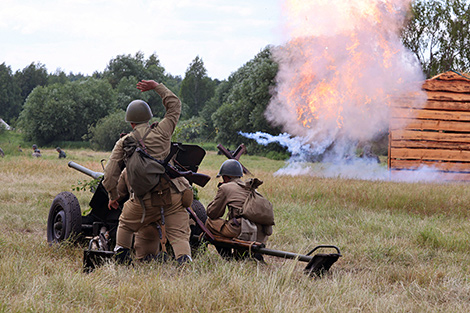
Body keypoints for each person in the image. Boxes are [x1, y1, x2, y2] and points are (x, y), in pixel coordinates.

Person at [102, 79, 192, 265]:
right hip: (172, 195)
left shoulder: (124, 142)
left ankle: (121, 258)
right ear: (149, 118)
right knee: (179, 235)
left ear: (131, 122)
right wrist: (157, 86)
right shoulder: (163, 131)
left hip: (144, 200)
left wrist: (113, 196)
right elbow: (175, 105)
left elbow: (110, 175)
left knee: (125, 224)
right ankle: (185, 264)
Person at [205, 159, 273, 258]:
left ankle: (227, 256)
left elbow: (212, 213)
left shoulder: (226, 188)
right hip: (260, 232)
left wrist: (220, 192)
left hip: (243, 229)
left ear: (225, 177)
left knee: (210, 223)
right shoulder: (250, 188)